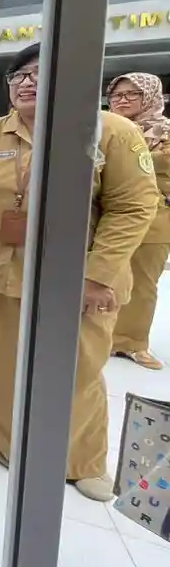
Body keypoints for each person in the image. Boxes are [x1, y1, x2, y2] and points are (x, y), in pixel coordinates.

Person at [0, 44, 159, 502]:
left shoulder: (110, 131)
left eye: (38, 73)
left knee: (77, 371)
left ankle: (81, 460)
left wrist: (100, 274)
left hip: (76, 281)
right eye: (17, 76)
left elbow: (133, 206)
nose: (26, 82)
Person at [106, 72, 169, 370]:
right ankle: (101, 335)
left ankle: (132, 342)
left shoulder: (165, 131)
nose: (123, 100)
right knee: (102, 277)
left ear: (151, 97)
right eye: (117, 94)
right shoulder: (100, 128)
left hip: (154, 219)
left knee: (142, 283)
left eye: (133, 94)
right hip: (103, 217)